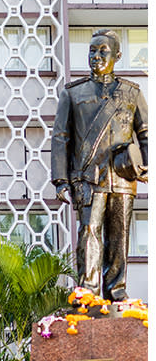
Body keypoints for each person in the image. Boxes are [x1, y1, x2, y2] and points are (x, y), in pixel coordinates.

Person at [51, 29, 147, 301]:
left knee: (119, 238)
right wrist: (61, 179)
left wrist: (147, 165)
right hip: (88, 179)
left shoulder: (131, 93)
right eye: (92, 51)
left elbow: (146, 133)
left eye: (103, 51)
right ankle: (89, 295)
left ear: (117, 55)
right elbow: (60, 138)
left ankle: (117, 292)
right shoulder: (73, 93)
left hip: (122, 176)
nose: (96, 56)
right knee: (89, 236)